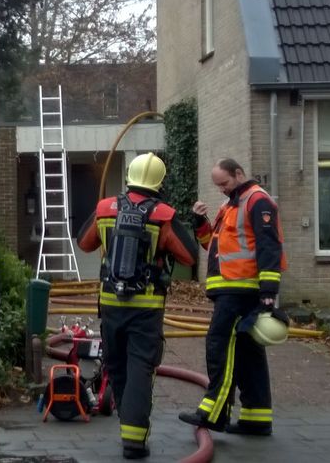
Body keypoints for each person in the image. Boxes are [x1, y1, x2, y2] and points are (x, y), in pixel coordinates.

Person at [78, 152, 200, 460]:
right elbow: (189, 257)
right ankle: (134, 439)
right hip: (146, 308)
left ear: (130, 175)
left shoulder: (106, 208)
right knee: (141, 369)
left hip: (110, 304)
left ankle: (126, 426)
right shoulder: (164, 214)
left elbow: (85, 243)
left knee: (116, 365)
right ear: (159, 181)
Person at [179, 158, 287, 436]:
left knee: (220, 346)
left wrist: (268, 293)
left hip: (240, 290)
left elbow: (269, 247)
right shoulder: (231, 205)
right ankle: (256, 418)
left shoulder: (256, 201)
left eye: (224, 183)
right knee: (248, 353)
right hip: (233, 288)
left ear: (239, 173)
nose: (222, 190)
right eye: (218, 186)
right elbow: (212, 247)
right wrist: (199, 221)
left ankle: (213, 413)